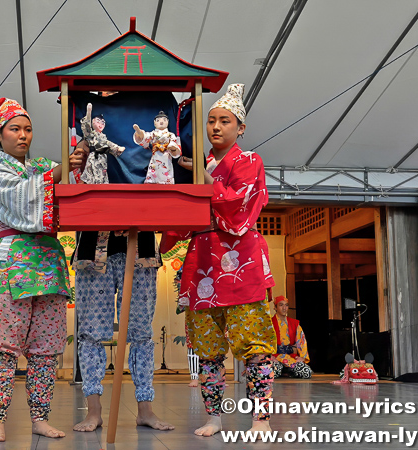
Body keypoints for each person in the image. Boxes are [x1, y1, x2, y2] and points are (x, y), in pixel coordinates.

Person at [161, 84, 277, 437]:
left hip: (241, 261)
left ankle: (261, 418)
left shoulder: (249, 161)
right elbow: (182, 212)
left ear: (240, 128)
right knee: (208, 349)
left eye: (224, 121)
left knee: (255, 347)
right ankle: (214, 416)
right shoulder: (198, 164)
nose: (215, 127)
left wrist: (202, 177)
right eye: (211, 121)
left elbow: (237, 209)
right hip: (202, 263)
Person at [0, 97, 70, 442]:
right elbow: (21, 195)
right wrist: (59, 172)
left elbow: (63, 185)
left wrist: (79, 158)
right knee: (1, 347)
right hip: (8, 265)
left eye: (28, 129)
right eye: (14, 129)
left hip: (47, 262)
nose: (23, 135)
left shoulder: (41, 165)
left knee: (45, 348)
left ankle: (40, 417)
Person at [70, 142, 175, 433]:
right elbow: (71, 186)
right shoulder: (85, 132)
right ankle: (94, 411)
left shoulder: (146, 135)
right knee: (91, 334)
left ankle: (145, 410)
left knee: (141, 333)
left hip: (140, 246)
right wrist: (77, 157)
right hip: (93, 249)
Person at [271, 296, 312, 379]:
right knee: (273, 372)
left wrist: (303, 357)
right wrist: (268, 356)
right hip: (275, 356)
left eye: (286, 305)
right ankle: (283, 371)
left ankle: (288, 371)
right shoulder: (269, 324)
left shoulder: (294, 323)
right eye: (281, 305)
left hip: (290, 356)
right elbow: (264, 342)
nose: (284, 308)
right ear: (275, 307)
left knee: (306, 372)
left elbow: (302, 341)